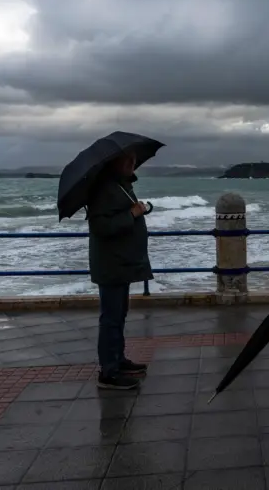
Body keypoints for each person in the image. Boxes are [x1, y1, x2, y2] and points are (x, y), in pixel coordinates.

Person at [87, 151, 152, 389]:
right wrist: (132, 214)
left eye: (134, 159)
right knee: (111, 318)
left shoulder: (120, 186)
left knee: (119, 314)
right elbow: (101, 226)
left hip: (121, 261)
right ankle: (109, 371)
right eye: (127, 160)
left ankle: (118, 359)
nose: (132, 163)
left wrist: (138, 210)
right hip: (111, 263)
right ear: (114, 163)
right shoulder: (103, 190)